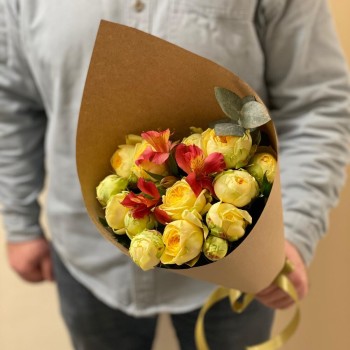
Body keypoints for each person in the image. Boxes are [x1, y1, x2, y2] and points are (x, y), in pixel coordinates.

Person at [1, 0, 349, 349]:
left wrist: (296, 230)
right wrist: (20, 224)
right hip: (85, 257)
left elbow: (317, 105)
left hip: (239, 265)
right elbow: (12, 106)